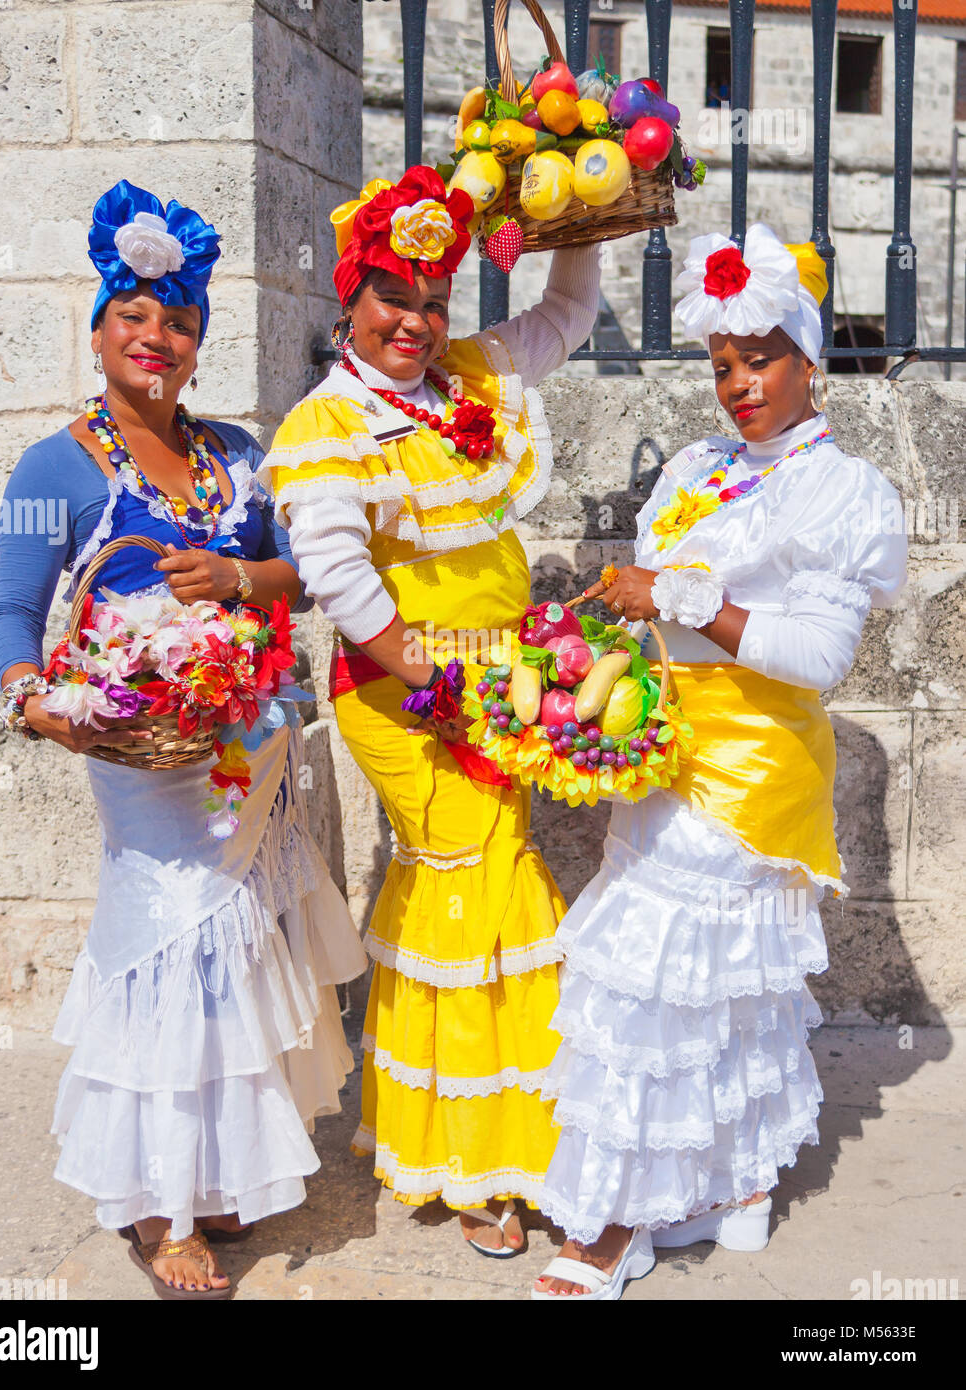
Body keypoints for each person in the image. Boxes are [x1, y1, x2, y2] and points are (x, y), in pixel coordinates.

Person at [0, 181, 366, 1300]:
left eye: (179, 320)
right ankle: (161, 1203)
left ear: (199, 340)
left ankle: (223, 1164)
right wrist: (30, 696)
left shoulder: (236, 456)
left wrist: (241, 575)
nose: (156, 338)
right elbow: (12, 614)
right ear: (99, 329)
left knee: (240, 946)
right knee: (163, 948)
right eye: (133, 317)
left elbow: (308, 567)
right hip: (143, 761)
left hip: (250, 745)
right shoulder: (51, 468)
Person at [531, 224, 908, 1298]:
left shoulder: (839, 489)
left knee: (647, 975)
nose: (738, 384)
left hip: (748, 765)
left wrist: (682, 596)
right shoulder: (700, 468)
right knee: (710, 986)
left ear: (806, 357)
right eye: (722, 364)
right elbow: (654, 609)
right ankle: (733, 1184)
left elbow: (816, 658)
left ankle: (610, 1224)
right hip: (657, 747)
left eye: (761, 358)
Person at [258, 165, 600, 1256]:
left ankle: (457, 1134)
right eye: (391, 297)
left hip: (493, 676)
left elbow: (564, 315)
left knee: (472, 882)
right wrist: (446, 683)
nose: (412, 320)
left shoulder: (466, 380)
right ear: (347, 302)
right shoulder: (326, 424)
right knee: (485, 877)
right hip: (404, 690)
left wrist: (582, 222)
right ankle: (479, 1163)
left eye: (430, 299)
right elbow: (344, 588)